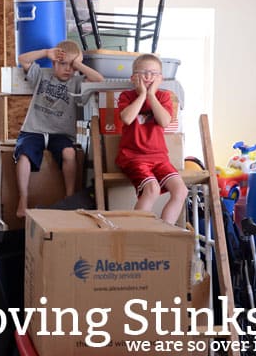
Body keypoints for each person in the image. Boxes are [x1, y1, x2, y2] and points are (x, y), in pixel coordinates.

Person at [14, 39, 104, 218]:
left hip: (60, 134)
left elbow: (99, 80)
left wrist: (78, 63)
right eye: (63, 64)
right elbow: (23, 59)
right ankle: (23, 199)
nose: (68, 69)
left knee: (69, 153)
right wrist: (46, 52)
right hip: (34, 130)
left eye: (72, 65)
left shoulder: (77, 81)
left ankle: (69, 197)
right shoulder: (42, 75)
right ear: (54, 62)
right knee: (24, 154)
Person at [115, 53, 188, 224]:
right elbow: (127, 118)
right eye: (143, 72)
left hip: (159, 158)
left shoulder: (163, 97)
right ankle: (138, 233)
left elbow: (164, 121)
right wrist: (142, 95)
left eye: (154, 73)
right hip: (134, 157)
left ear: (160, 78)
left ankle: (164, 231)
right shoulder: (126, 96)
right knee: (152, 189)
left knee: (181, 191)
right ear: (133, 77)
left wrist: (151, 96)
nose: (148, 76)